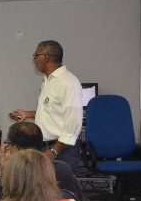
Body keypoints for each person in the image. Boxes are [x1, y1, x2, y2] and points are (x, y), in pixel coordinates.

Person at [8, 40, 84, 171]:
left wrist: (54, 151)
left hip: (62, 150)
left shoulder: (68, 83)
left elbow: (73, 125)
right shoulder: (48, 82)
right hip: (45, 147)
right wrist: (27, 114)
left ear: (46, 57)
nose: (34, 60)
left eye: (36, 56)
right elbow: (53, 112)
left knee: (59, 184)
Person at [0, 121, 79, 201]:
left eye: (9, 144)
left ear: (15, 150)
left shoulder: (9, 175)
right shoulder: (63, 169)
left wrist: (0, 174)